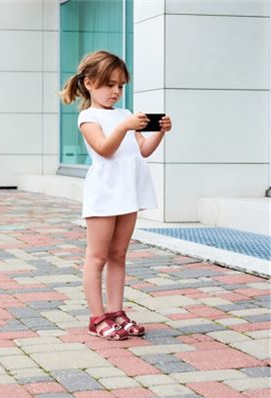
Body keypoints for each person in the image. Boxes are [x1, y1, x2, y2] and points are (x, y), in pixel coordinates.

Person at [60, 50, 172, 341]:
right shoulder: (88, 117)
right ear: (89, 83)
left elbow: (143, 151)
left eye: (121, 85)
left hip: (128, 192)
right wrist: (124, 126)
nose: (116, 91)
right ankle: (98, 318)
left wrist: (159, 132)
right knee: (97, 257)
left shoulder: (125, 115)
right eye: (109, 84)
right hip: (105, 192)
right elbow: (105, 149)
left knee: (119, 254)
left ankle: (117, 312)